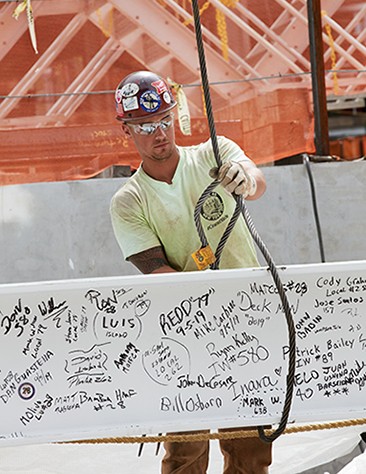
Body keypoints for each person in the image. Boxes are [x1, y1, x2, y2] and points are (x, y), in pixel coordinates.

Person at [110, 70, 271, 474]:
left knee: (250, 449)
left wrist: (245, 179)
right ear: (126, 130)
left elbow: (256, 179)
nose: (158, 133)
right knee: (186, 450)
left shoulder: (214, 154)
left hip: (246, 321)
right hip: (184, 331)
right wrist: (207, 297)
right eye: (145, 126)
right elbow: (156, 269)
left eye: (164, 120)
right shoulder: (129, 201)